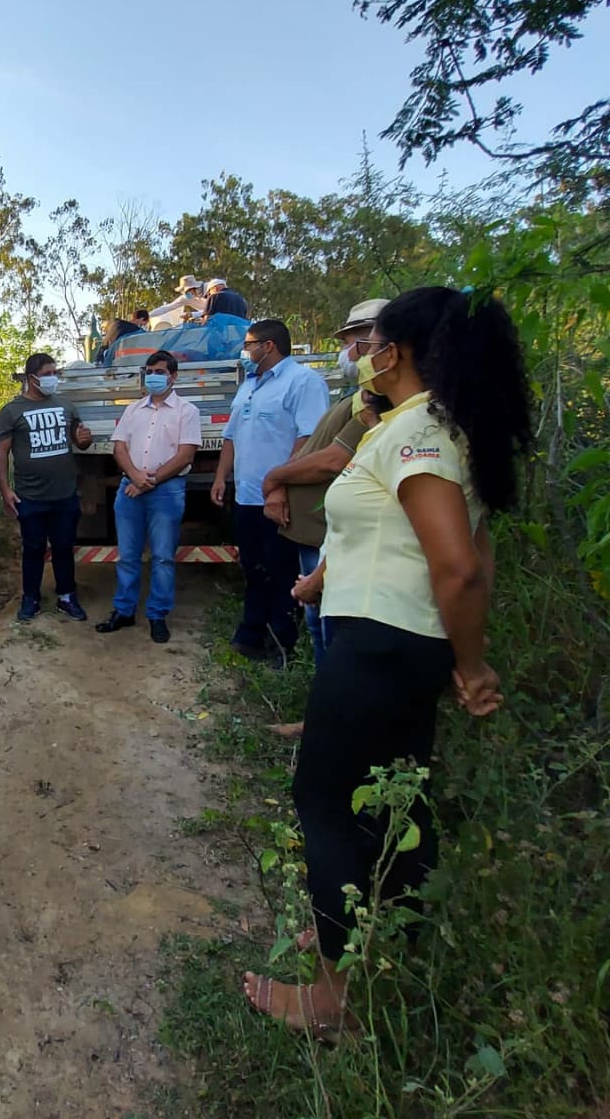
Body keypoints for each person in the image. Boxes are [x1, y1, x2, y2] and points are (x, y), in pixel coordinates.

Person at [243, 286, 531, 1041]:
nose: (360, 354)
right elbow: (445, 544)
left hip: (381, 645)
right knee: (391, 801)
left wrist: (473, 665)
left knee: (326, 802)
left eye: (369, 344)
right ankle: (373, 936)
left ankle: (332, 997)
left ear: (394, 353)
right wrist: (322, 578)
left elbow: (459, 567)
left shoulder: (418, 434)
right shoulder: (427, 426)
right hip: (398, 640)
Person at [261, 300, 389, 666]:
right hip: (318, 532)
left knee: (332, 626)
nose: (349, 353)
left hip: (333, 536)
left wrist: (275, 477)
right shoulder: (356, 397)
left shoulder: (380, 405)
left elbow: (334, 459)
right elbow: (316, 448)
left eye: (357, 342)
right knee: (318, 623)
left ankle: (332, 697)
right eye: (348, 343)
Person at [210, 320, 330, 666]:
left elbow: (309, 440)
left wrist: (279, 486)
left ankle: (282, 646)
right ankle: (251, 635)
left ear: (269, 346)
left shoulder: (303, 382)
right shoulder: (249, 385)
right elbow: (231, 436)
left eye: (248, 345)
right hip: (246, 497)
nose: (244, 352)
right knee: (254, 569)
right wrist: (221, 477)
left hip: (280, 500)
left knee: (281, 572)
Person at [95, 351, 201, 644]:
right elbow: (119, 447)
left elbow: (185, 456)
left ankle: (157, 615)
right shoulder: (133, 410)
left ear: (173, 377)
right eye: (150, 371)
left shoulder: (187, 411)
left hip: (166, 491)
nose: (153, 377)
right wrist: (134, 476)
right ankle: (124, 611)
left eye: (160, 372)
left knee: (163, 557)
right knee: (127, 555)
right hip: (130, 488)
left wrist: (147, 482)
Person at [0, 352, 94, 621]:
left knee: (63, 547)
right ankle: (31, 598)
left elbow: (80, 441)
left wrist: (85, 439)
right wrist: (5, 491)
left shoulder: (65, 405)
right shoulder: (12, 411)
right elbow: (1, 454)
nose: (52, 378)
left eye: (54, 373)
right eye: (46, 374)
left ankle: (67, 596)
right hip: (30, 496)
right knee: (33, 549)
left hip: (64, 494)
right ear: (31, 378)